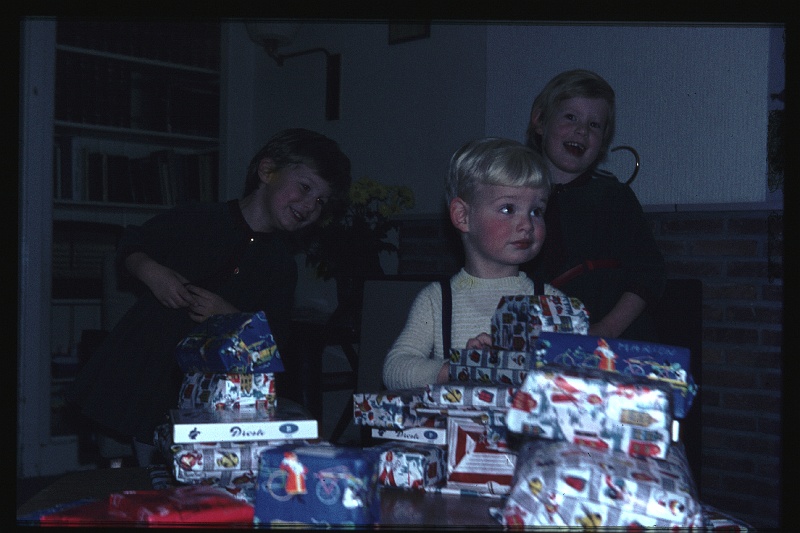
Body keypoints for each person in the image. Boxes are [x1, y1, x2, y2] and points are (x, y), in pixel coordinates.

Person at [68, 128, 352, 466]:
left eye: (320, 201)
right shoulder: (200, 217)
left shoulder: (281, 265)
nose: (309, 206)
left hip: (212, 384)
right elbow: (134, 243)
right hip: (151, 365)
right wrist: (151, 271)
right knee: (151, 456)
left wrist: (229, 315)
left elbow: (273, 340)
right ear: (267, 172)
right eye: (305, 188)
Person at [382, 137, 566, 390]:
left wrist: (523, 362)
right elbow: (394, 369)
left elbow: (576, 376)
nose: (527, 224)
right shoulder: (437, 299)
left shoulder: (552, 302)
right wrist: (459, 368)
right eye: (508, 209)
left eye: (536, 211)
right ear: (463, 216)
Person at [520, 69, 666, 341]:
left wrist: (607, 329)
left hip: (611, 341)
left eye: (594, 125)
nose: (581, 130)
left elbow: (648, 274)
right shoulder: (515, 196)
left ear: (603, 142)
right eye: (570, 117)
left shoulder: (614, 197)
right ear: (540, 121)